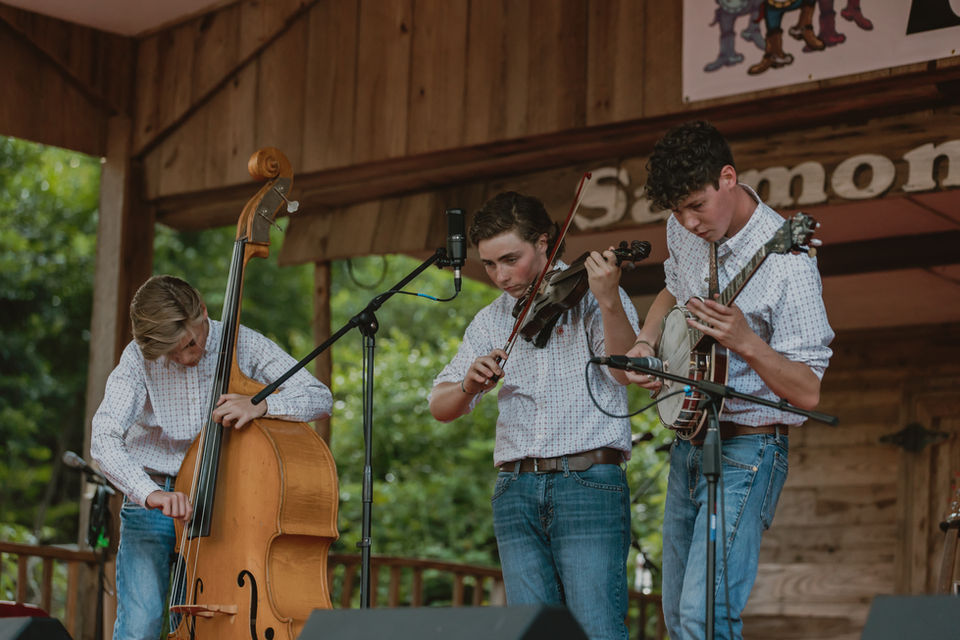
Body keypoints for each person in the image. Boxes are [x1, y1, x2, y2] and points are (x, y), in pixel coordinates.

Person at [624, 120, 834, 639]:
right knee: (677, 618)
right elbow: (673, 289)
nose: (688, 223)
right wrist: (648, 345)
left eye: (696, 205)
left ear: (728, 177)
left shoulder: (790, 262)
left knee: (705, 616)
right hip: (689, 442)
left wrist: (748, 343)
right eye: (676, 212)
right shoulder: (684, 231)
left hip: (750, 448)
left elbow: (808, 389)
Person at [428, 191, 640, 640]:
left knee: (596, 630)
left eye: (510, 259)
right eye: (488, 264)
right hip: (515, 488)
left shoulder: (593, 295)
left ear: (544, 242)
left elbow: (626, 374)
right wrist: (469, 384)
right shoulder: (490, 319)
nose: (500, 276)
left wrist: (608, 300)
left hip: (587, 481)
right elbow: (440, 404)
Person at [90, 275, 331, 640]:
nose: (184, 357)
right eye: (171, 354)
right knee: (139, 626)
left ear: (202, 311)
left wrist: (262, 404)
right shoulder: (137, 359)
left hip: (217, 502)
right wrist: (149, 492)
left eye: (189, 343)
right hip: (151, 498)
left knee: (205, 622)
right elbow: (103, 436)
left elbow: (318, 396)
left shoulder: (240, 342)